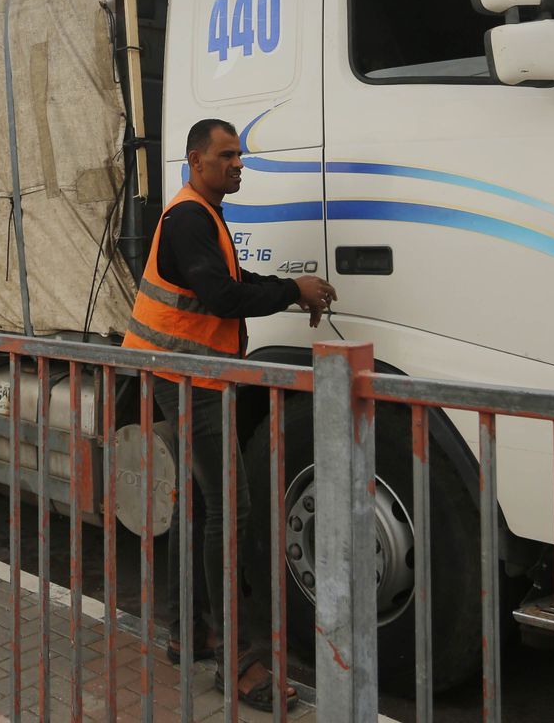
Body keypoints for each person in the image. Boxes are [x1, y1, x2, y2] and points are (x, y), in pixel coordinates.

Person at [121, 118, 336, 711]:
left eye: (239, 154)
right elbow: (223, 298)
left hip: (189, 375)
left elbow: (231, 283)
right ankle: (238, 662)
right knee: (230, 510)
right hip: (189, 380)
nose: (238, 164)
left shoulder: (203, 216)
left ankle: (187, 631)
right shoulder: (189, 218)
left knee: (198, 505)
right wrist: (295, 291)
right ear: (196, 160)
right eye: (227, 155)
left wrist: (293, 287)